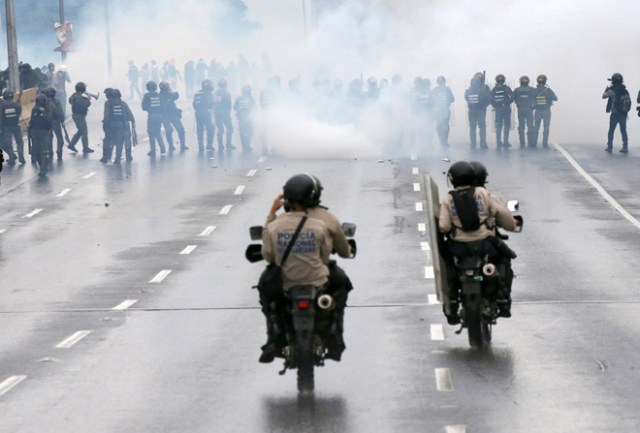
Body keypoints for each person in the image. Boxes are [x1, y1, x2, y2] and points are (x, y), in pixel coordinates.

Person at [258, 175, 333, 363]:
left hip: (285, 284)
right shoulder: (319, 225)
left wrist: (271, 212)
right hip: (317, 282)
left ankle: (272, 338)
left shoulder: (274, 227)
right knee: (338, 291)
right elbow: (325, 257)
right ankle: (333, 336)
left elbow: (268, 256)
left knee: (267, 296)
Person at [438, 161, 520, 324]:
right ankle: (503, 300)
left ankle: (452, 302)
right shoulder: (483, 194)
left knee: (448, 264)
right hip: (485, 246)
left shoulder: (448, 199)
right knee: (505, 258)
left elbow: (444, 226)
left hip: (459, 249)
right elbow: (506, 220)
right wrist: (511, 225)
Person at [602, 73, 630, 153]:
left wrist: (606, 90)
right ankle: (625, 147)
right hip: (624, 114)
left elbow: (604, 96)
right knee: (623, 130)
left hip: (615, 113)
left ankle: (609, 146)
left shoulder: (612, 90)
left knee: (611, 130)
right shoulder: (625, 90)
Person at [28, 95, 52, 177]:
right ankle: (43, 165)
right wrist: (30, 130)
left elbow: (49, 120)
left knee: (43, 151)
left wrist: (43, 112)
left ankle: (43, 169)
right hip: (35, 132)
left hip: (44, 132)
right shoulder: (34, 109)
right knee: (36, 152)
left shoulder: (48, 109)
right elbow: (32, 120)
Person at [159, 81, 187, 152]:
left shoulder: (160, 95)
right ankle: (182, 145)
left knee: (169, 131)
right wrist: (171, 91)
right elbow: (176, 95)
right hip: (171, 115)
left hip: (165, 116)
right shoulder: (168, 95)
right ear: (167, 87)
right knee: (180, 129)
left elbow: (175, 96)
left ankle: (171, 146)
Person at [68, 82, 94, 154]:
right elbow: (87, 104)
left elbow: (70, 101)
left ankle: (71, 144)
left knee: (80, 131)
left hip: (77, 115)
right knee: (84, 131)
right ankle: (85, 147)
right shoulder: (79, 97)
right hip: (79, 116)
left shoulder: (74, 95)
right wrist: (88, 99)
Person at [464, 75, 490, 149]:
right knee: (482, 127)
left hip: (471, 111)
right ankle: (483, 143)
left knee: (472, 128)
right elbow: (487, 98)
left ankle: (473, 144)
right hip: (480, 111)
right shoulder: (481, 90)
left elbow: (466, 98)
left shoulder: (467, 91)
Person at [141, 80, 166, 156]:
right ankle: (163, 149)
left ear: (147, 88)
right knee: (157, 132)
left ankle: (153, 150)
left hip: (151, 115)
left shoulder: (147, 95)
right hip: (159, 115)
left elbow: (144, 106)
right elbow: (163, 106)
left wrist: (149, 109)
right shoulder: (160, 95)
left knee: (151, 132)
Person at [532, 74, 558, 148]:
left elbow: (531, 100)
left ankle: (534, 143)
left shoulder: (534, 90)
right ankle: (545, 144)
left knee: (536, 127)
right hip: (546, 111)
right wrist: (549, 96)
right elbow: (555, 98)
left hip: (537, 111)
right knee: (546, 127)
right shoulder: (548, 90)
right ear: (545, 81)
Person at [0, 90, 25, 164]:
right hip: (15, 126)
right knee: (19, 142)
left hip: (6, 127)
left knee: (8, 143)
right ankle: (21, 157)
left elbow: (1, 117)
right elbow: (19, 111)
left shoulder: (2, 106)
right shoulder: (16, 105)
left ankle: (12, 157)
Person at [491, 74, 514, 149]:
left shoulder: (494, 89)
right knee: (506, 125)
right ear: (504, 80)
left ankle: (498, 142)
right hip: (506, 109)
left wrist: (495, 105)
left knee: (499, 126)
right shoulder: (506, 88)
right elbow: (512, 97)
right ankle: (505, 142)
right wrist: (507, 103)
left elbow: (491, 99)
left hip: (498, 110)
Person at [430, 76, 455, 147]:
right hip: (445, 110)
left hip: (437, 111)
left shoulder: (434, 90)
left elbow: (431, 101)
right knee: (446, 125)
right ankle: (445, 141)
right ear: (444, 82)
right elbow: (453, 99)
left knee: (439, 125)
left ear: (437, 82)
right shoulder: (447, 89)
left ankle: (441, 141)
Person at [192, 79, 215, 152]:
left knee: (200, 130)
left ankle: (200, 146)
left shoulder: (197, 93)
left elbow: (194, 104)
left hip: (198, 113)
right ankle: (209, 145)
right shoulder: (209, 93)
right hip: (206, 113)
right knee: (210, 128)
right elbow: (210, 104)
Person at [513, 75, 536, 148]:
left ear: (520, 81)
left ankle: (522, 142)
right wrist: (533, 107)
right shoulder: (532, 90)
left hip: (521, 110)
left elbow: (514, 99)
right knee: (530, 126)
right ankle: (530, 142)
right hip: (529, 110)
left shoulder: (516, 90)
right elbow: (535, 99)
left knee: (521, 126)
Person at [43, 87, 65, 160]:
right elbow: (61, 111)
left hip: (48, 122)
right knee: (59, 136)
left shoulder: (45, 102)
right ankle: (59, 150)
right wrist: (62, 120)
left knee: (49, 137)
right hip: (56, 121)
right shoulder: (57, 101)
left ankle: (50, 152)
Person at [234, 84, 256, 152]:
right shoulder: (251, 98)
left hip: (241, 118)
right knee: (249, 131)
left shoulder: (239, 98)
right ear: (249, 91)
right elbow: (254, 108)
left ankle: (244, 147)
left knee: (242, 132)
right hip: (249, 118)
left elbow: (234, 107)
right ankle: (248, 146)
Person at [213, 78, 234, 151]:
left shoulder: (215, 93)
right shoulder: (227, 93)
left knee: (220, 128)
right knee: (229, 128)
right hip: (225, 113)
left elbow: (213, 103)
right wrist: (228, 112)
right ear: (226, 85)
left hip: (217, 113)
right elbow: (229, 104)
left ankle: (220, 145)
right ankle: (228, 144)